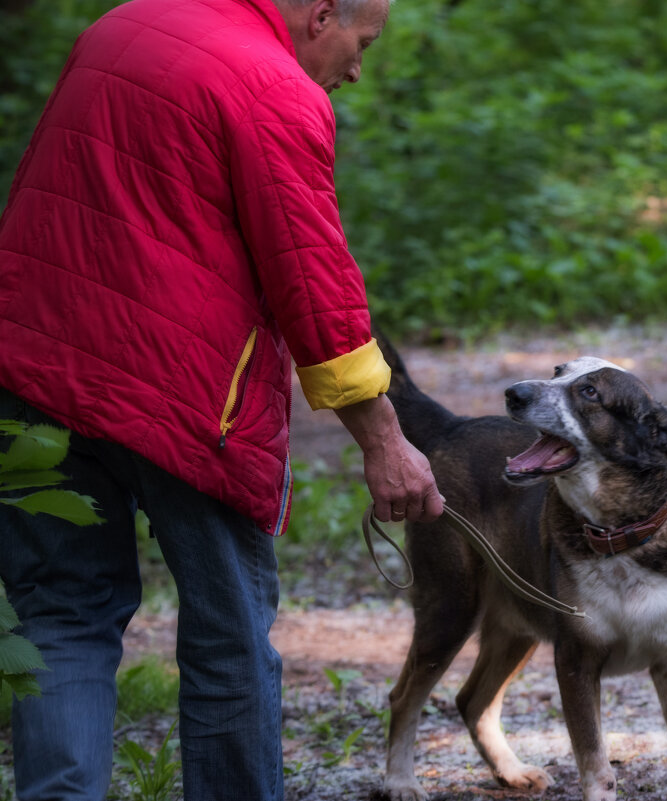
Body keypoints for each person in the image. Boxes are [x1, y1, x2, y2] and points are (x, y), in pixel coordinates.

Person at [0, 0, 443, 798]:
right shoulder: (272, 87)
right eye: (360, 44)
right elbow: (314, 283)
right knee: (229, 637)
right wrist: (385, 440)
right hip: (185, 403)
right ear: (320, 15)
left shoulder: (120, 24)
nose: (356, 69)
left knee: (60, 618)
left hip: (36, 372)